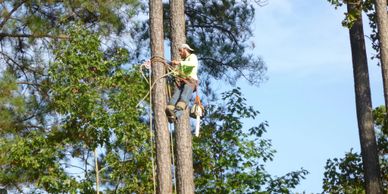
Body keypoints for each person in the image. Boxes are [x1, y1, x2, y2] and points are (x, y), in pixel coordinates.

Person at [166, 43, 198, 122]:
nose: (179, 53)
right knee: (174, 97)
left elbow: (192, 64)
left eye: (180, 51)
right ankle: (170, 113)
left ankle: (176, 115)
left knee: (184, 98)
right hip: (182, 82)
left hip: (190, 81)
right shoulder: (183, 61)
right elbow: (177, 73)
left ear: (185, 49)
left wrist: (179, 63)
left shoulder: (192, 57)